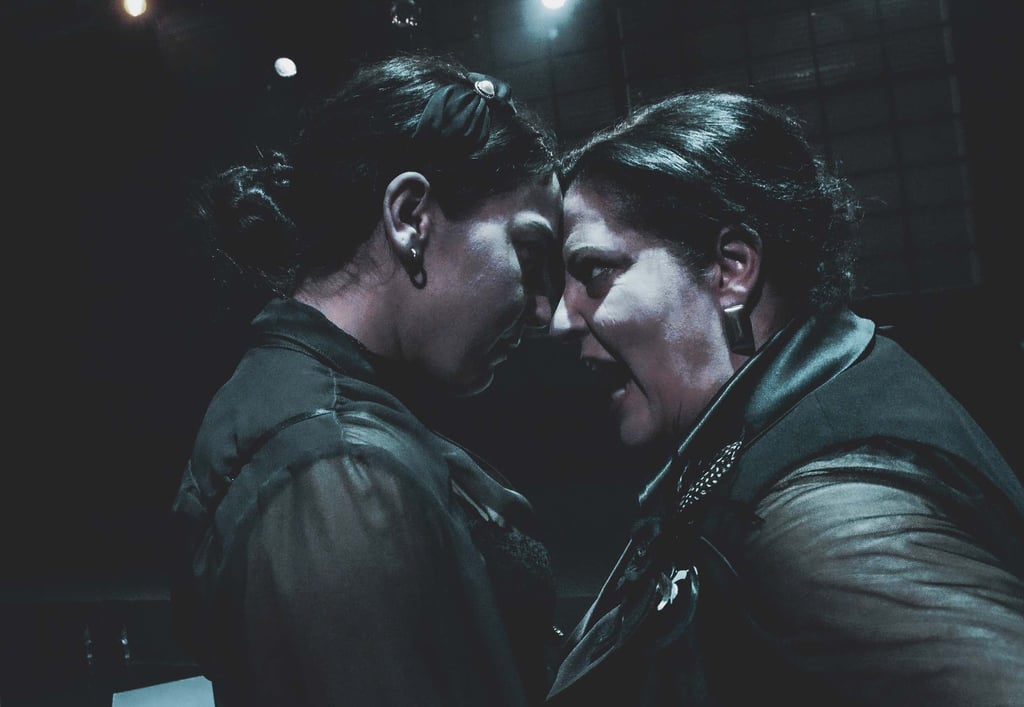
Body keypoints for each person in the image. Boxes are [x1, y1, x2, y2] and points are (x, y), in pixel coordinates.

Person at [545, 90, 1024, 706]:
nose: (561, 320)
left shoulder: (821, 522)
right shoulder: (817, 389)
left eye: (595, 271)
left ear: (730, 271)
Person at [169, 53, 564, 707]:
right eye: (528, 250)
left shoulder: (308, 408)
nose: (546, 310)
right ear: (410, 217)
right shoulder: (338, 471)